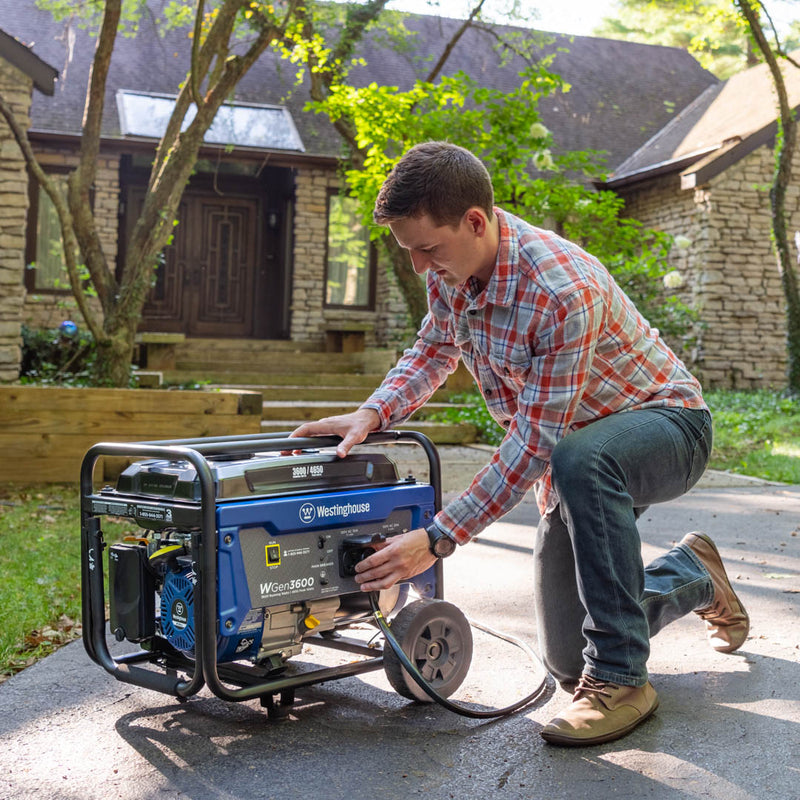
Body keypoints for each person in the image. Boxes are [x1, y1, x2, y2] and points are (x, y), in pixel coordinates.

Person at [291, 141, 749, 746]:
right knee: (565, 660)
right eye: (410, 254)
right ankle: (692, 574)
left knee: (578, 458)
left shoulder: (562, 290)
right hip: (579, 452)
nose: (422, 268)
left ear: (475, 222)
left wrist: (437, 538)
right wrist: (374, 412)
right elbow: (434, 349)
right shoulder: (453, 272)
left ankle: (622, 679)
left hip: (667, 428)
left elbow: (537, 440)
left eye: (428, 249)